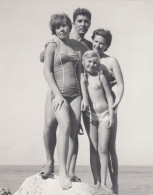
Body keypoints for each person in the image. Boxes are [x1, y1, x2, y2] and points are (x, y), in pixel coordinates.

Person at [40, 8, 92, 182]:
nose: (62, 29)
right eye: (59, 27)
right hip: (57, 91)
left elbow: (83, 71)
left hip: (75, 93)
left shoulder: (81, 46)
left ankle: (69, 171)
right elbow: (46, 68)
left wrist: (84, 97)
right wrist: (58, 95)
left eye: (65, 26)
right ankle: (52, 164)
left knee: (72, 129)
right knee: (53, 125)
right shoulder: (52, 43)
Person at [91, 28, 124, 194]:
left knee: (110, 148)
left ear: (107, 46)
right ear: (92, 40)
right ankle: (98, 183)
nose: (98, 45)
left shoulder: (111, 60)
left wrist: (115, 104)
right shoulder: (87, 57)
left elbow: (121, 84)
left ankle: (115, 185)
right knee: (95, 147)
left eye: (102, 43)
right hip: (91, 110)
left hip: (108, 108)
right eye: (96, 41)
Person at [82, 50, 114, 192]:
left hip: (104, 115)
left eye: (95, 62)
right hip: (89, 116)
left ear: (99, 64)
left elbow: (109, 96)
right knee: (93, 148)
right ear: (83, 63)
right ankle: (96, 180)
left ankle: (104, 183)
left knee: (103, 149)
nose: (92, 64)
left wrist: (112, 114)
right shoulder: (82, 78)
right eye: (89, 62)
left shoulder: (100, 78)